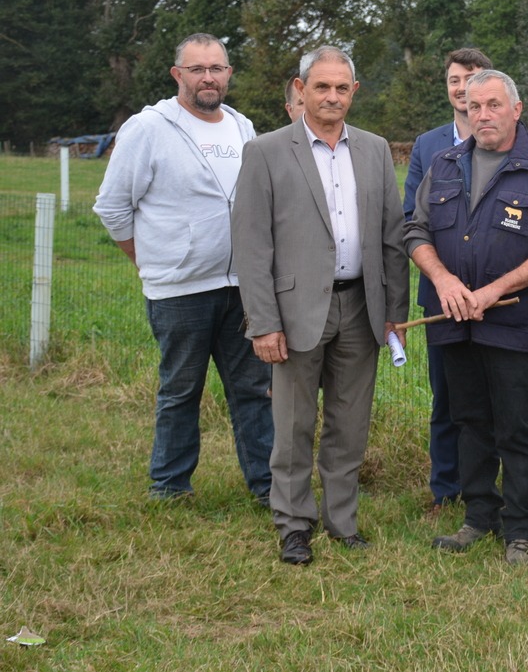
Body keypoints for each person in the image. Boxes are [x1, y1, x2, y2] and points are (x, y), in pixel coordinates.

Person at [231, 45, 409, 565]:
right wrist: (263, 322)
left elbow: (391, 238)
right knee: (292, 426)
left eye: (341, 88)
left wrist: (394, 309)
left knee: (349, 425)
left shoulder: (375, 150)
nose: (332, 97)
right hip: (293, 312)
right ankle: (293, 524)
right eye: (321, 87)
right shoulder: (265, 152)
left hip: (361, 307)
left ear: (354, 92)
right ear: (300, 89)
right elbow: (252, 243)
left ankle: (342, 520)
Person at [94, 32, 273, 505]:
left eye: (217, 68)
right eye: (197, 69)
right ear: (178, 75)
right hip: (178, 291)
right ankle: (170, 486)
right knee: (180, 390)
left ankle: (268, 486)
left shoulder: (242, 127)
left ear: (229, 74)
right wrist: (153, 260)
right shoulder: (148, 128)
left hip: (241, 288)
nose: (208, 77)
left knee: (255, 391)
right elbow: (112, 208)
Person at [405, 70, 528, 565]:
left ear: (516, 110)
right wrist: (444, 282)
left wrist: (494, 290)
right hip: (451, 318)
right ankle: (479, 516)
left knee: (513, 426)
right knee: (468, 420)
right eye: (474, 106)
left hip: (512, 320)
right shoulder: (444, 165)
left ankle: (520, 529)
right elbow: (415, 231)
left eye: (494, 105)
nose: (483, 114)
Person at [403, 48, 493, 516]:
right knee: (447, 396)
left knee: (498, 396)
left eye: (473, 78)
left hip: (496, 298)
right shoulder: (427, 144)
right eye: (455, 79)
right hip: (440, 294)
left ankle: (493, 488)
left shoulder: (515, 137)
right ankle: (446, 489)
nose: (463, 87)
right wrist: (443, 278)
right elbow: (412, 219)